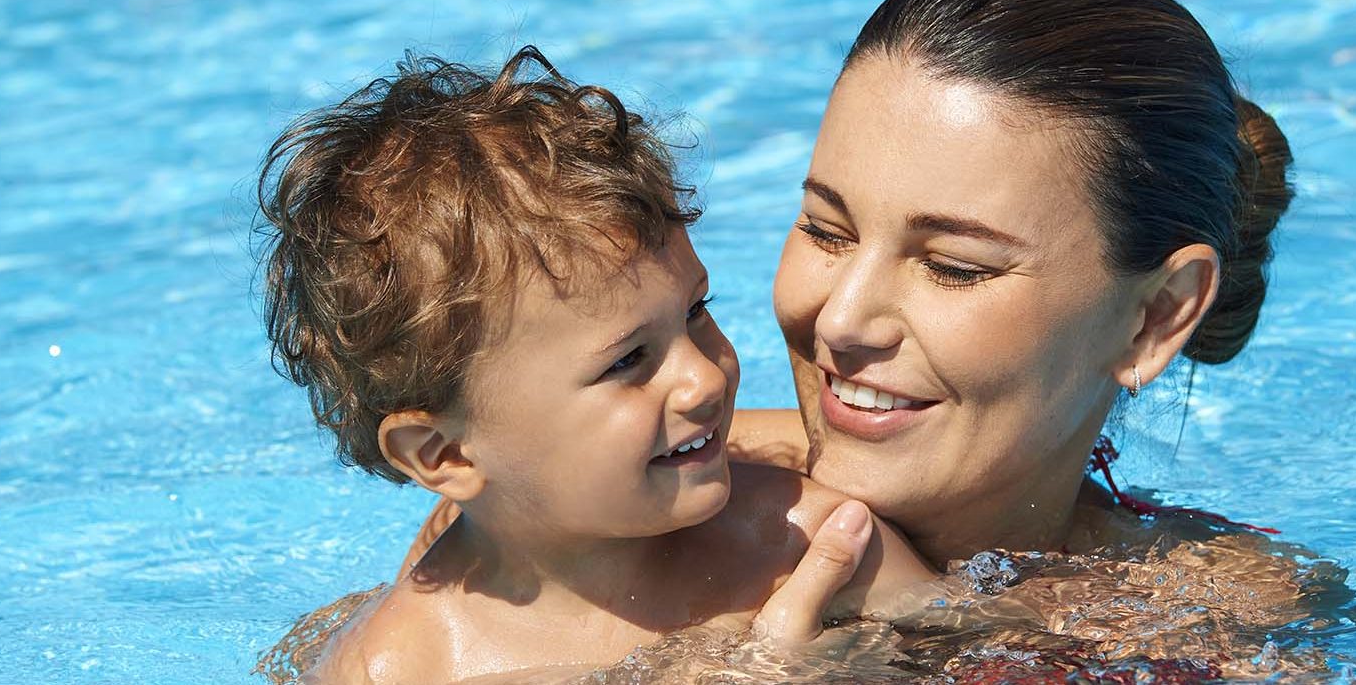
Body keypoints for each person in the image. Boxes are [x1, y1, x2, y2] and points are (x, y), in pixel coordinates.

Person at [401, 0, 1301, 653]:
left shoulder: (1221, 629)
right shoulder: (585, 498)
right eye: (827, 231)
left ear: (1156, 317)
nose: (841, 319)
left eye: (955, 266)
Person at [254, 47, 935, 683]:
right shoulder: (399, 664)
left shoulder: (800, 544)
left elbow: (1017, 644)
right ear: (444, 454)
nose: (704, 376)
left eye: (696, 310)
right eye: (629, 360)